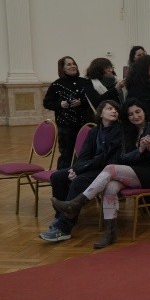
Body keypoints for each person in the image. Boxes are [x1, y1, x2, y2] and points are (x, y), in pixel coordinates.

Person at [51, 99, 150, 249]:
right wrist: (140, 151)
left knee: (110, 168)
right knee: (110, 187)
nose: (135, 116)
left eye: (138, 112)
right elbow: (124, 158)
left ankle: (75, 204)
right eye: (130, 114)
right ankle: (111, 233)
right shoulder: (128, 132)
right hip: (132, 172)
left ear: (144, 112)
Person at [39, 100, 123, 242]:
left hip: (107, 170)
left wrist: (79, 170)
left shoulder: (119, 131)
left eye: (115, 109)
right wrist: (76, 169)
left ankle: (64, 228)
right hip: (90, 167)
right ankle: (60, 216)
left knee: (79, 181)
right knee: (57, 177)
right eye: (109, 108)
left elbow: (105, 158)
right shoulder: (95, 131)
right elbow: (83, 155)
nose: (114, 111)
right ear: (100, 113)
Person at [43, 56, 101, 169]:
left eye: (74, 63)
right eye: (68, 64)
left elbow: (94, 99)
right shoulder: (57, 85)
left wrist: (81, 102)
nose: (73, 66)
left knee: (85, 153)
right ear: (62, 68)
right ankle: (62, 182)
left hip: (85, 124)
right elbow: (47, 103)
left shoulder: (85, 82)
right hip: (66, 126)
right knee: (67, 155)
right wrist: (60, 104)